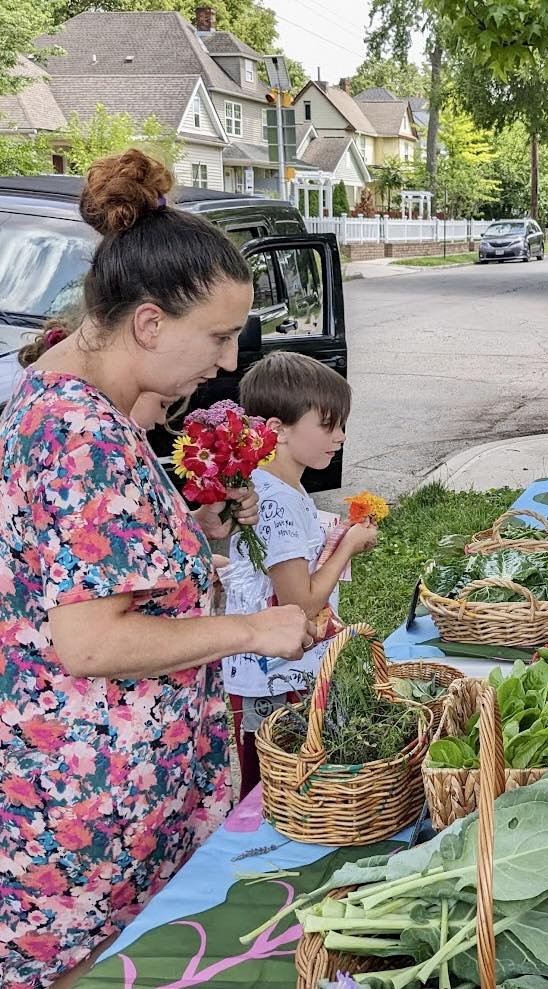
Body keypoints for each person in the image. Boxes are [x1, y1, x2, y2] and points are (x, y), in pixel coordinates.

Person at [0, 149, 315, 989]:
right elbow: (92, 643)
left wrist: (197, 536)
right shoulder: (80, 432)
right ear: (147, 323)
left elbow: (97, 568)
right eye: (215, 337)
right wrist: (254, 626)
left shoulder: (71, 394)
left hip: (109, 792)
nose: (223, 362)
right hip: (92, 807)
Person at [220, 351, 379, 799]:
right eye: (328, 425)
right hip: (273, 677)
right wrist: (348, 545)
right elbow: (302, 602)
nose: (341, 436)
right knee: (274, 784)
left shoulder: (281, 486)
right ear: (277, 430)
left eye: (341, 425)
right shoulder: (277, 500)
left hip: (286, 667)